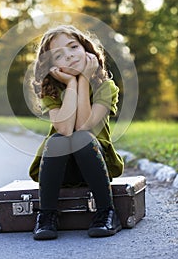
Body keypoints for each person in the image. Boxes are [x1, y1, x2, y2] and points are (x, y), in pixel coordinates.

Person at [29, 25, 124, 240]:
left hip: (95, 163)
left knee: (80, 138)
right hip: (61, 171)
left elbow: (83, 126)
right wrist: (71, 83)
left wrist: (83, 79)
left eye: (73, 47)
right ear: (53, 66)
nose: (69, 55)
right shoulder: (51, 91)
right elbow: (64, 128)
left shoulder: (105, 87)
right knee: (58, 140)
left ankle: (106, 211)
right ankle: (47, 216)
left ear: (86, 49)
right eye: (59, 55)